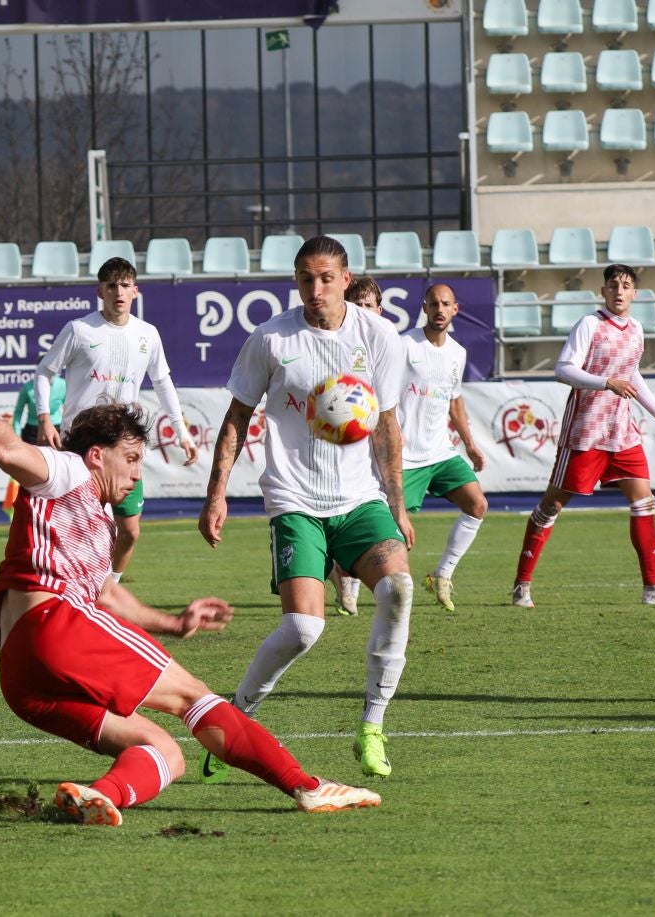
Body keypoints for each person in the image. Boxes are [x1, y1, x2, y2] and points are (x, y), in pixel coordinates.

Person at [0, 348, 381, 825]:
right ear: (97, 454)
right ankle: (307, 786)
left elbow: (104, 594)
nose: (138, 472)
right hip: (53, 625)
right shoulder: (66, 470)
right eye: (131, 458)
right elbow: (3, 448)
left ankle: (96, 796)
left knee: (164, 750)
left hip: (21, 674)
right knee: (194, 697)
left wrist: (172, 621)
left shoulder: (99, 521)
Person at [198, 235, 416, 780]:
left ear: (347, 280)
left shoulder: (381, 337)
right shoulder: (271, 339)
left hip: (360, 498)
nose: (315, 289)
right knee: (302, 629)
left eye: (325, 278)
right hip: (294, 498)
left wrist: (399, 504)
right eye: (305, 279)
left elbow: (386, 424)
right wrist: (216, 492)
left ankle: (372, 725)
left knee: (398, 589)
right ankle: (236, 722)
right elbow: (236, 417)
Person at [510, 264, 655, 609]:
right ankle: (522, 583)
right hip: (587, 431)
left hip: (622, 431)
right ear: (604, 291)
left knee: (643, 501)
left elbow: (632, 376)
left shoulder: (637, 329)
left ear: (635, 293)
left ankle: (652, 587)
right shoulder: (590, 324)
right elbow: (564, 369)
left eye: (626, 286)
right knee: (552, 505)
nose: (620, 291)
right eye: (614, 285)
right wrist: (604, 382)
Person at [34, 257, 197, 584]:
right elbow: (44, 372)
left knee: (130, 532)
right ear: (100, 291)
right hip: (80, 444)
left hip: (124, 446)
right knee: (82, 527)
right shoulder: (79, 330)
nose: (118, 292)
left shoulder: (147, 334)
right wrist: (44, 420)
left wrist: (181, 431)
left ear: (135, 291)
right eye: (112, 286)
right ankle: (72, 591)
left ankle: (107, 589)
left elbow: (162, 381)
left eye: (125, 285)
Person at [398, 283, 490, 612]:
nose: (439, 308)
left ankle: (442, 574)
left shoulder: (457, 352)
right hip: (405, 456)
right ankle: (347, 576)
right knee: (395, 532)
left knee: (477, 504)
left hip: (440, 452)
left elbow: (455, 402)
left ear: (455, 310)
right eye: (434, 303)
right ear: (424, 307)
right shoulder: (404, 345)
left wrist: (470, 445)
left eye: (445, 303)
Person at [325, 276, 389, 616]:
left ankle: (348, 571)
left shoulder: (392, 343)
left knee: (384, 516)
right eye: (357, 305)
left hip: (382, 445)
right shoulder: (340, 345)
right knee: (346, 510)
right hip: (348, 446)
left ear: (379, 309)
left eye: (369, 306)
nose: (364, 312)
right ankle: (343, 575)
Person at [3, 374, 64, 513]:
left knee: (57, 471)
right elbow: (18, 412)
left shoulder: (63, 385)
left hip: (57, 428)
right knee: (29, 472)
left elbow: (71, 407)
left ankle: (57, 507)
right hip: (31, 432)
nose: (51, 373)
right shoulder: (28, 387)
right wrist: (17, 436)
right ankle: (28, 508)